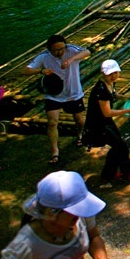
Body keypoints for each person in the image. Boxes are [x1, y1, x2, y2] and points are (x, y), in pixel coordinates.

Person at [1, 170, 120, 259]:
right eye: (76, 209)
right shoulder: (22, 247)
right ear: (51, 213)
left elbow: (94, 236)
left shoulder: (81, 214)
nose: (81, 213)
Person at [24, 34, 91, 167]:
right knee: (52, 122)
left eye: (62, 49)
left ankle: (79, 135)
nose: (60, 52)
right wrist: (41, 71)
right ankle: (55, 151)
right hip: (53, 94)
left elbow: (87, 52)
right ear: (50, 50)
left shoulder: (71, 49)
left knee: (79, 120)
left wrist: (71, 59)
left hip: (73, 93)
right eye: (56, 50)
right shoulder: (43, 57)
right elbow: (26, 70)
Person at [81, 59, 130, 184]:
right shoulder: (101, 90)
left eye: (115, 73)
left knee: (118, 146)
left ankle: (109, 174)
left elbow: (112, 95)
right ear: (103, 74)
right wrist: (127, 111)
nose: (113, 76)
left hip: (105, 122)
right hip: (99, 124)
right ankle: (127, 174)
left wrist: (123, 96)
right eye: (110, 74)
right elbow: (107, 112)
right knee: (121, 146)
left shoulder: (109, 84)